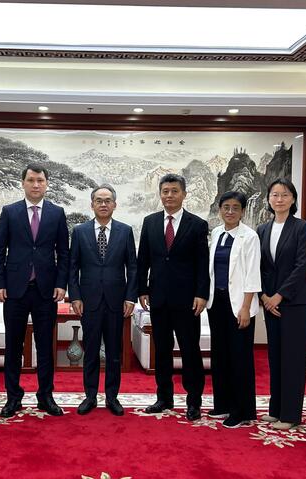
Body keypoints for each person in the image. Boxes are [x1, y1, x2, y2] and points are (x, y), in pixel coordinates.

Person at [0, 164, 70, 418]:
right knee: (13, 346)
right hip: (15, 290)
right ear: (23, 183)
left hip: (46, 291)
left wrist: (61, 283)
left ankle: (45, 396)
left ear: (46, 184)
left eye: (40, 180)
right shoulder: (10, 212)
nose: (36, 185)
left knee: (45, 346)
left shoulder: (57, 213)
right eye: (31, 180)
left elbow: (64, 253)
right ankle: (13, 397)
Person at [137, 173, 209, 421]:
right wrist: (142, 290)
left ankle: (194, 401)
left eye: (174, 191)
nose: (169, 195)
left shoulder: (197, 224)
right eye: (165, 191)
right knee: (162, 350)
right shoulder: (150, 222)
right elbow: (143, 259)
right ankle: (164, 398)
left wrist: (201, 294)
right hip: (158, 298)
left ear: (184, 194)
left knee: (190, 350)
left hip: (188, 301)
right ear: (160, 194)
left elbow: (202, 263)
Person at [69, 185, 137, 416]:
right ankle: (90, 396)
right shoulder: (80, 231)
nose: (103, 204)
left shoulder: (125, 231)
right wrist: (75, 296)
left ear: (115, 205)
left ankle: (112, 397)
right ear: (92, 205)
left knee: (114, 352)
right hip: (89, 301)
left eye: (108, 200)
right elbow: (73, 267)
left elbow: (132, 267)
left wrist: (130, 297)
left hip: (116, 301)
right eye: (99, 200)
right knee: (90, 351)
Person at [256, 179, 306, 430]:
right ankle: (276, 409)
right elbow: (259, 267)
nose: (279, 199)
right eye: (275, 195)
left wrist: (279, 296)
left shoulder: (302, 228)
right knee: (276, 357)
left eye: (285, 195)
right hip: (270, 303)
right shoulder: (262, 229)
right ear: (269, 199)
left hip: (293, 303)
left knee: (292, 359)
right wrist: (264, 297)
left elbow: (301, 266)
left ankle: (290, 415)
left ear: (293, 199)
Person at [206, 191, 262, 428]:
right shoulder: (217, 233)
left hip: (239, 304)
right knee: (220, 356)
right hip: (216, 303)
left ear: (242, 211)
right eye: (226, 207)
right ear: (220, 209)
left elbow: (252, 275)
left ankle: (241, 410)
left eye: (235, 208)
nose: (230, 211)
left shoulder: (250, 236)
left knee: (240, 358)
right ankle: (222, 404)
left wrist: (246, 307)